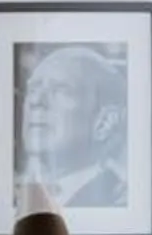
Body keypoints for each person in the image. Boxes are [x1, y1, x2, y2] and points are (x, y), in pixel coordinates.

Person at [16, 42, 129, 209]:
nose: (35, 101)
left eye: (61, 90)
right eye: (32, 90)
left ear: (104, 122)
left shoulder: (118, 202)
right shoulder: (12, 195)